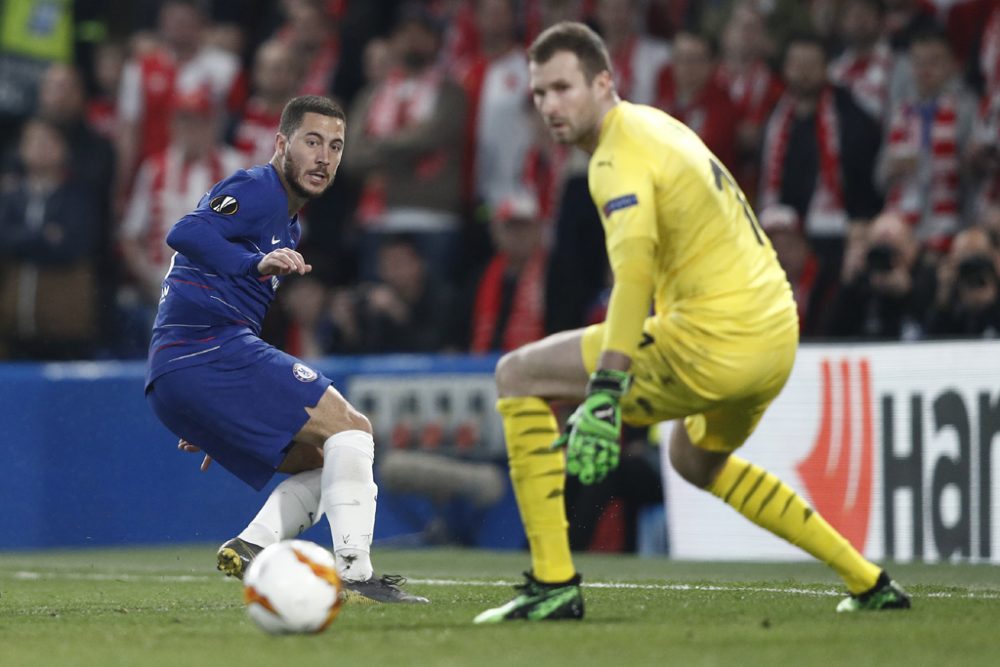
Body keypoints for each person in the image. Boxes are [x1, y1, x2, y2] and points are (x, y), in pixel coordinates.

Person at [473, 21, 910, 624]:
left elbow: (632, 280)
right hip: (775, 336)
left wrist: (605, 390)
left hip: (714, 340)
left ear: (604, 82)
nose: (550, 105)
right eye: (540, 93)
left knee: (517, 373)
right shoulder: (657, 125)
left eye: (563, 88)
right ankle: (869, 581)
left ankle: (552, 582)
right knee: (693, 460)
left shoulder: (614, 161)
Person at [144, 95, 427, 604]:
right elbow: (184, 231)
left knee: (328, 458)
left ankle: (253, 545)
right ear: (282, 144)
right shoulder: (260, 188)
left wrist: (217, 406)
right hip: (206, 351)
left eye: (336, 147)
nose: (324, 157)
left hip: (185, 374)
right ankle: (356, 576)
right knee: (353, 429)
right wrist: (253, 265)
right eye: (312, 142)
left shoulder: (289, 224)